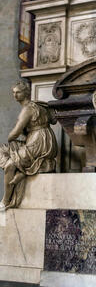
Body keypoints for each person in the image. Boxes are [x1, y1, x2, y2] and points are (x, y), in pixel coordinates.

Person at [0, 81, 58, 210]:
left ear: (25, 93)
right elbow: (53, 119)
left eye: (18, 92)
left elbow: (15, 133)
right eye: (13, 92)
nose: (15, 95)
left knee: (9, 163)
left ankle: (6, 200)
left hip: (38, 142)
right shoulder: (37, 105)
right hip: (46, 139)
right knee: (6, 152)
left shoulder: (27, 109)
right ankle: (22, 171)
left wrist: (10, 138)